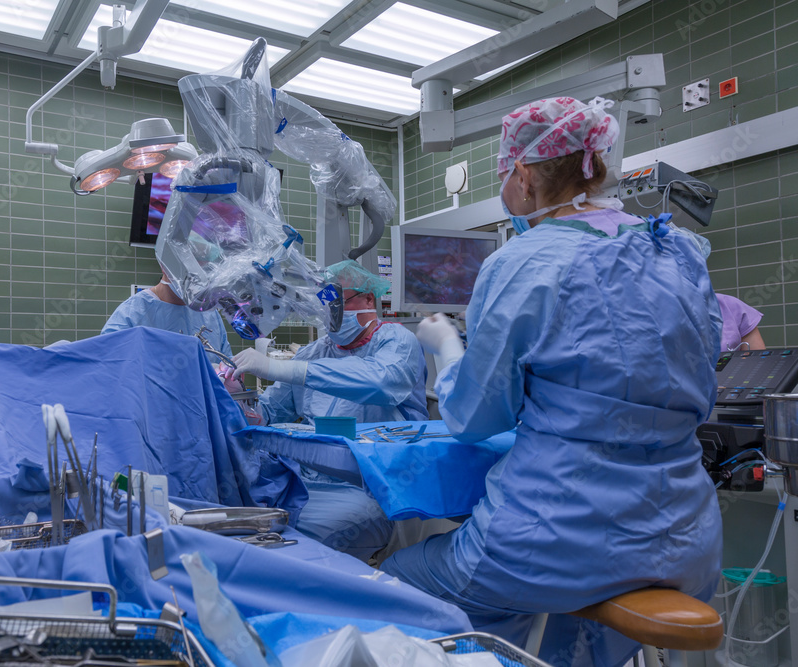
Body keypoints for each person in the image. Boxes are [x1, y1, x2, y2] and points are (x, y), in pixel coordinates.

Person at [381, 97, 723, 667]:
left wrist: (445, 345)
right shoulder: (679, 252)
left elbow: (473, 419)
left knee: (395, 579)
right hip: (685, 539)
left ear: (522, 173)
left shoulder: (525, 261)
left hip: (556, 540)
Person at [228, 259, 428, 560]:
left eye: (337, 304)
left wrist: (283, 369)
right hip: (305, 483)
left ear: (368, 299)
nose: (329, 315)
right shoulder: (316, 351)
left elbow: (381, 380)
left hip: (371, 488)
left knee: (300, 552)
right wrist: (238, 400)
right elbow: (269, 412)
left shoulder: (397, 340)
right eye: (323, 306)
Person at [101, 268, 233, 366]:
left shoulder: (209, 314)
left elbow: (225, 367)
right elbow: (110, 376)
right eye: (187, 271)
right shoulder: (131, 316)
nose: (195, 278)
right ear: (164, 264)